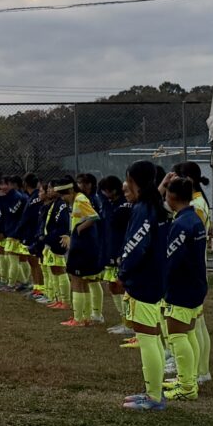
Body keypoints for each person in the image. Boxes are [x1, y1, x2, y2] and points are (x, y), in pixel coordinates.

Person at [119, 160, 171, 410]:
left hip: (144, 280)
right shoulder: (155, 205)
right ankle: (154, 391)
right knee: (153, 337)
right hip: (155, 277)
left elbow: (135, 246)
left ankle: (154, 397)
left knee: (147, 338)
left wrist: (123, 271)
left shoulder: (143, 208)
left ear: (133, 180)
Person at [159, 177, 207, 402]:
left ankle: (187, 387)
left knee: (177, 335)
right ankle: (189, 377)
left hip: (182, 287)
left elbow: (173, 260)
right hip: (196, 284)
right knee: (188, 333)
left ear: (172, 197)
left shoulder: (181, 224)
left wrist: (163, 283)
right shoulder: (194, 219)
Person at [167, 162, 213, 385]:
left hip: (189, 273)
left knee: (190, 330)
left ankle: (199, 372)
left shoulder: (194, 208)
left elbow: (176, 253)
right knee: (195, 328)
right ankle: (196, 371)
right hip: (195, 273)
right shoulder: (197, 205)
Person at [58, 175, 102, 327]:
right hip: (84, 246)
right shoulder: (78, 199)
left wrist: (78, 230)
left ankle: (78, 318)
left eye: (64, 194)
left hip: (82, 247)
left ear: (71, 190)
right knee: (83, 282)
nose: (63, 198)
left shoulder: (80, 199)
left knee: (76, 281)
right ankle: (86, 317)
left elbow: (94, 216)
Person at [98, 176, 133, 337]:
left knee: (122, 286)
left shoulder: (123, 206)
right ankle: (123, 319)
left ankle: (130, 323)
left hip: (121, 250)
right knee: (112, 286)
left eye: (105, 190)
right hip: (110, 249)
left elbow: (113, 221)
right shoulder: (110, 204)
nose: (104, 194)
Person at [43, 181, 71, 311]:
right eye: (47, 188)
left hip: (58, 241)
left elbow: (63, 225)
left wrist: (52, 238)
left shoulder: (61, 205)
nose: (48, 190)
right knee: (54, 270)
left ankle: (65, 301)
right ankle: (58, 299)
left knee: (59, 270)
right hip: (51, 241)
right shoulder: (55, 204)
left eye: (50, 188)